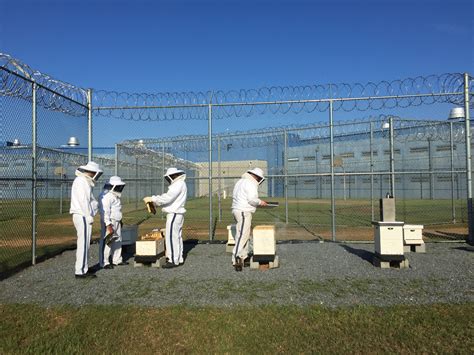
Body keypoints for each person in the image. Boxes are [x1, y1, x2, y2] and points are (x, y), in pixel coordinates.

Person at [143, 168, 187, 268]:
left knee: (171, 237)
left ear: (172, 176)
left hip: (174, 214)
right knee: (177, 237)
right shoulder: (180, 184)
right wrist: (155, 202)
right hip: (177, 214)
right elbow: (168, 199)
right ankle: (178, 258)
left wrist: (153, 198)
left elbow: (168, 198)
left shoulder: (178, 184)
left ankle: (172, 260)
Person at [69, 161, 103, 279]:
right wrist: (88, 215)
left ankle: (84, 267)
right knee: (83, 244)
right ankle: (80, 271)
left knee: (85, 243)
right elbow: (83, 200)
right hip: (82, 215)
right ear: (93, 172)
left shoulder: (84, 181)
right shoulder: (82, 181)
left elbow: (89, 200)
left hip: (83, 215)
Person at [231, 167, 268, 271]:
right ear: (257, 176)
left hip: (238, 210)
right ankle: (236, 257)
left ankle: (243, 257)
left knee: (244, 234)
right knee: (242, 235)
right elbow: (252, 200)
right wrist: (261, 202)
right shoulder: (250, 183)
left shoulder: (240, 182)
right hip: (243, 211)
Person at [99, 176, 128, 269]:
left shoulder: (115, 196)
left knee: (118, 241)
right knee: (108, 241)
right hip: (110, 222)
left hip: (117, 221)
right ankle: (105, 262)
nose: (120, 188)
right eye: (118, 186)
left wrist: (120, 221)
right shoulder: (107, 196)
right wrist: (108, 224)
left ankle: (117, 260)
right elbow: (105, 212)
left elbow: (117, 210)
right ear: (113, 186)